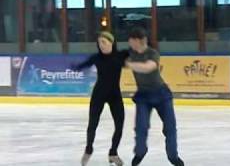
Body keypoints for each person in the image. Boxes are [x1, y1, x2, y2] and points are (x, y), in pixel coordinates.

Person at [125, 27, 184, 166]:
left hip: (161, 94)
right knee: (141, 127)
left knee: (169, 127)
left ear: (141, 40)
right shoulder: (129, 54)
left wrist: (129, 64)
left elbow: (148, 68)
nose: (129, 42)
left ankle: (173, 157)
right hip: (143, 97)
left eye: (132, 40)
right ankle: (140, 152)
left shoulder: (152, 53)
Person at [72, 31, 128, 166]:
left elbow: (139, 52)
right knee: (93, 124)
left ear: (112, 42)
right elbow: (83, 65)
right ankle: (88, 149)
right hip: (99, 94)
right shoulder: (96, 57)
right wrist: (75, 67)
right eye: (99, 43)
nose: (101, 45)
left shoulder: (121, 55)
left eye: (104, 42)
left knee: (119, 125)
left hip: (115, 95)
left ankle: (113, 153)